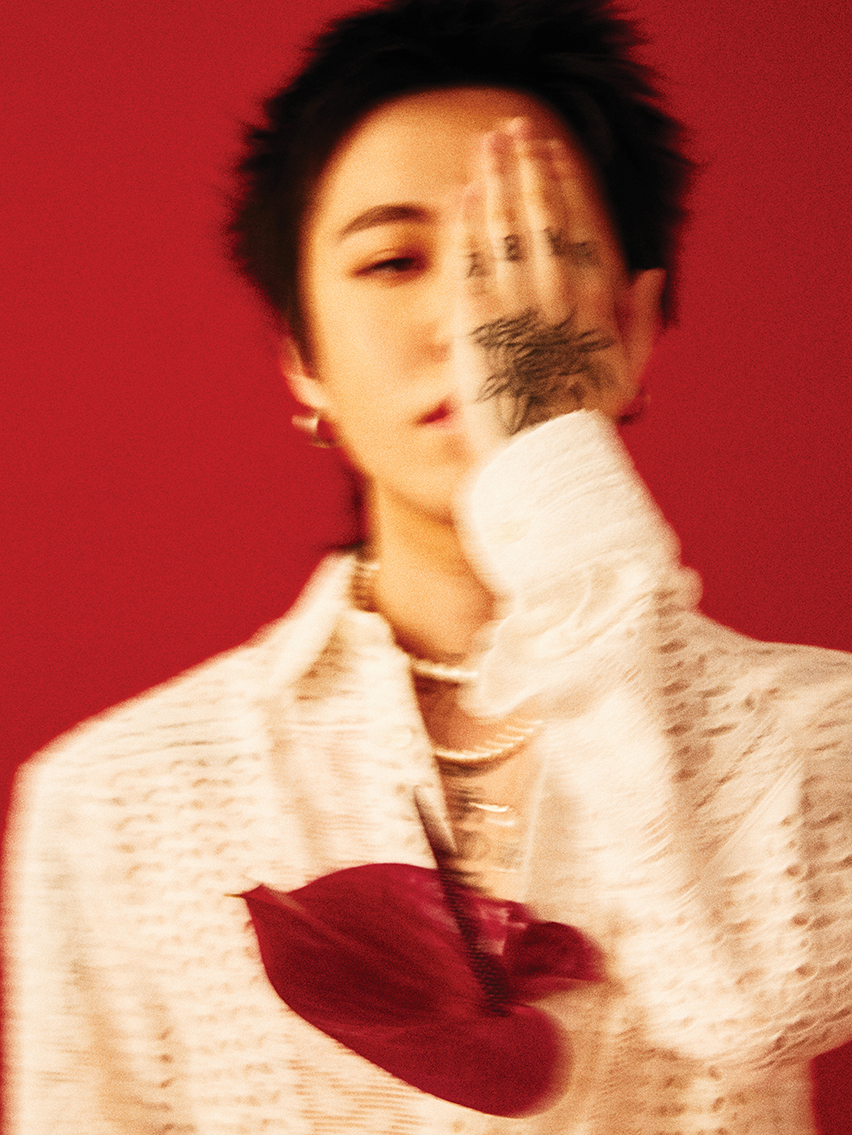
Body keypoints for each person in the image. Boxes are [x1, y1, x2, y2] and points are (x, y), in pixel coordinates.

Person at [5, 0, 852, 1132]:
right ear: (302, 358)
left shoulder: (815, 729)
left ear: (635, 324)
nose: (474, 321)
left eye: (532, 254)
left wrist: (544, 443)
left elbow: (749, 998)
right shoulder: (115, 799)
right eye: (396, 260)